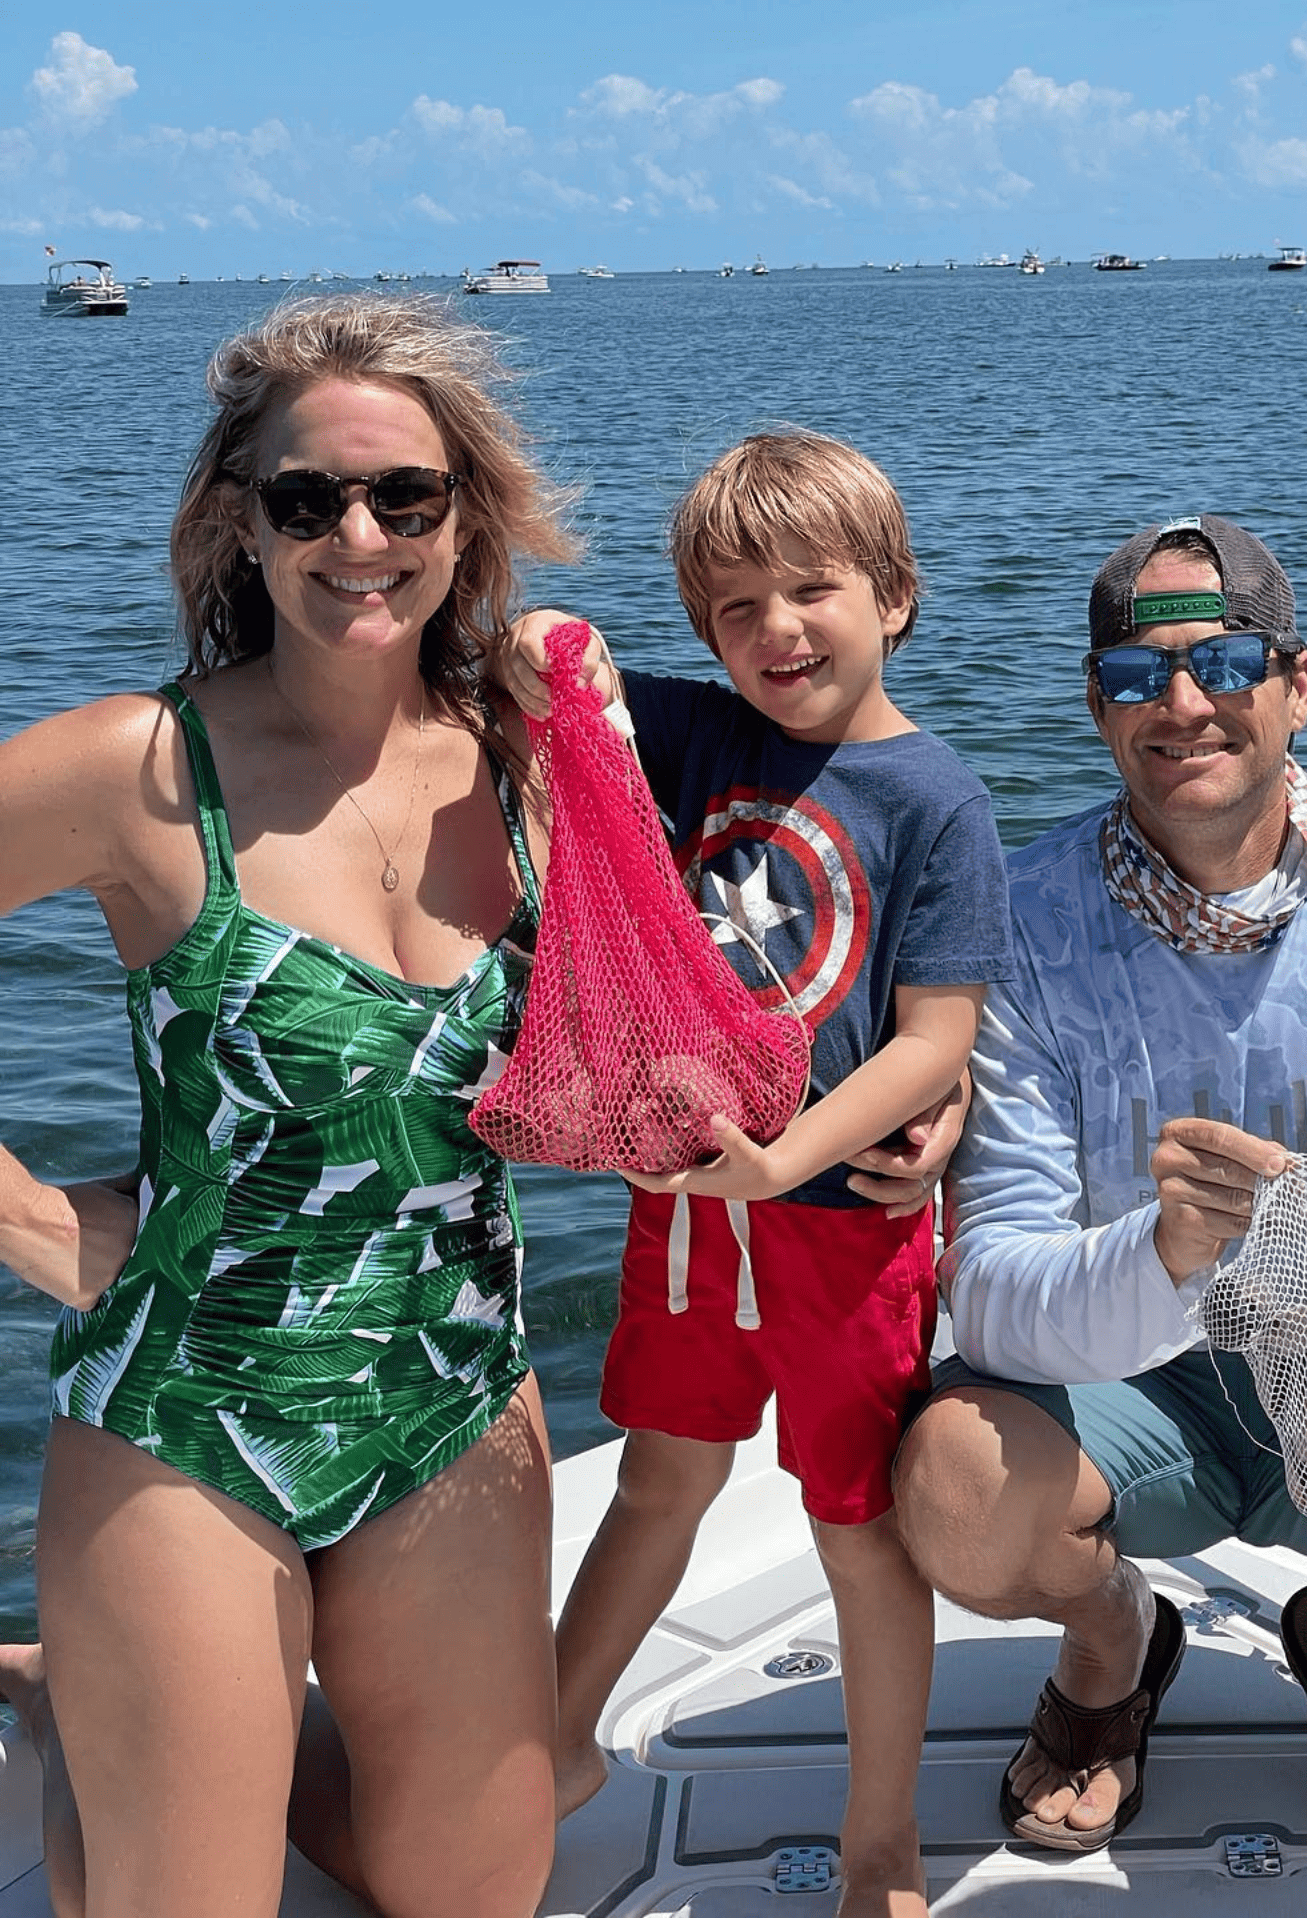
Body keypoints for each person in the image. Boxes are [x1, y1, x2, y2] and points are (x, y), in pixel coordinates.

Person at [0, 294, 585, 1914]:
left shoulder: (531, 770)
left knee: (470, 1893)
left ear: (463, 521)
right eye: (305, 497)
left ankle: (193, 1720)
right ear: (233, 522)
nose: (360, 534)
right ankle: (81, 1706)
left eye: (406, 497)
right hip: (190, 1414)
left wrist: (895, 1119)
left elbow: (702, 989)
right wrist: (35, 1221)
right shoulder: (139, 769)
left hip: (452, 1398)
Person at [890, 513, 1307, 1854]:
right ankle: (1114, 1644)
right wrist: (1164, 1252)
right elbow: (987, 1290)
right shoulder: (1023, 917)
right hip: (1132, 1385)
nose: (1180, 705)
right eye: (1134, 676)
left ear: (1298, 683)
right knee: (948, 1481)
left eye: (1225, 663)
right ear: (1098, 710)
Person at [501, 430, 1014, 1918]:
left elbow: (932, 1044)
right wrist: (558, 646)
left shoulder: (939, 803)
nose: (777, 631)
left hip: (843, 1224)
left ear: (896, 596)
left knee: (857, 1533)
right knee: (661, 1478)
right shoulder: (698, 735)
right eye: (735, 609)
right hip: (684, 1217)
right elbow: (540, 653)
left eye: (813, 590)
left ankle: (881, 1842)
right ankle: (546, 1750)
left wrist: (786, 1156)